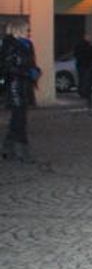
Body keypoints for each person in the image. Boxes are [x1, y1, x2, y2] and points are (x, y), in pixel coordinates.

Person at [1, 21, 38, 163]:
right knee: (19, 119)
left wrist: (35, 70)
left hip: (25, 84)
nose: (29, 31)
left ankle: (7, 148)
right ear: (19, 29)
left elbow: (31, 63)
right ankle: (22, 152)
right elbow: (7, 67)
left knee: (17, 119)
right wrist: (27, 72)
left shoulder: (27, 44)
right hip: (15, 85)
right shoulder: (9, 44)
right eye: (27, 29)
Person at [73, 34, 92, 101]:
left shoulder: (80, 45)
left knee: (82, 79)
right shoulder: (88, 46)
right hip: (86, 65)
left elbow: (76, 54)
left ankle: (82, 92)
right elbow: (91, 54)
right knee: (86, 80)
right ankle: (85, 93)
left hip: (82, 65)